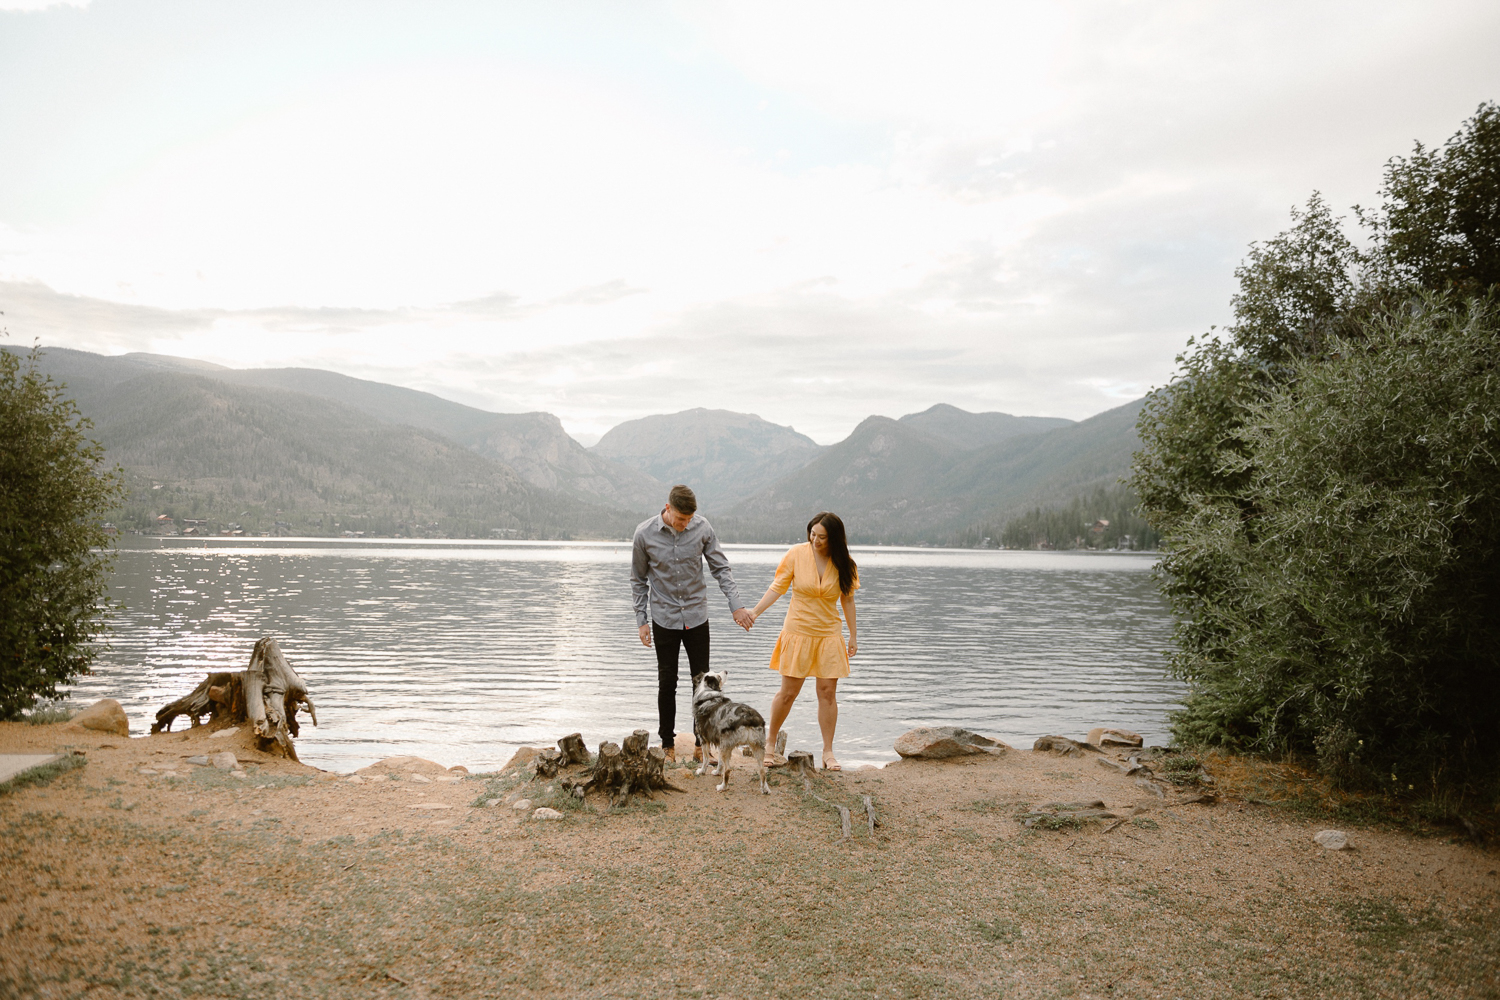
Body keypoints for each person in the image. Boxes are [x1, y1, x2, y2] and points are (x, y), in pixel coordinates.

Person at [631, 484, 754, 762]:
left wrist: (736, 606)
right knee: (667, 682)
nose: (685, 524)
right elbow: (638, 581)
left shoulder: (702, 528)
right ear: (667, 508)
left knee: (703, 684)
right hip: (664, 618)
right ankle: (667, 744)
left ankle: (701, 744)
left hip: (697, 617)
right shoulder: (644, 534)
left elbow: (721, 568)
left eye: (688, 519)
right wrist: (641, 621)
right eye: (680, 519)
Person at [745, 511, 858, 771]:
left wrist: (853, 635)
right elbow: (777, 587)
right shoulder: (796, 554)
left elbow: (848, 599)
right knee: (788, 693)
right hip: (797, 632)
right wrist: (754, 612)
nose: (814, 540)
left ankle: (828, 752)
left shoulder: (845, 563)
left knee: (827, 694)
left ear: (834, 539)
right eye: (812, 534)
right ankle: (770, 742)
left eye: (821, 537)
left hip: (829, 634)